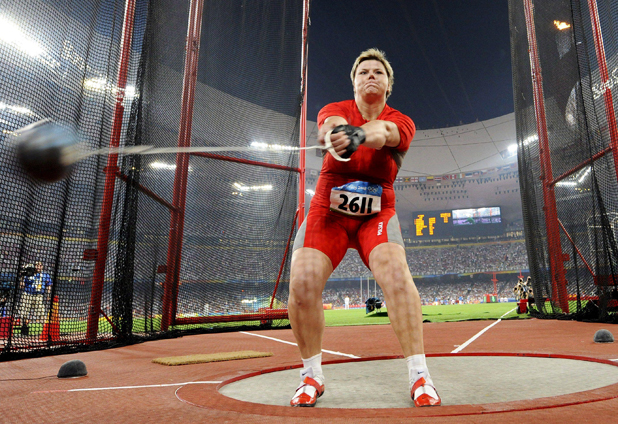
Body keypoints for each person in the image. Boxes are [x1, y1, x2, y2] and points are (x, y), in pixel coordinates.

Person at [288, 48, 441, 408]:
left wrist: (356, 135)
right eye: (363, 72)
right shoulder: (336, 109)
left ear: (388, 85)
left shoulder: (401, 120)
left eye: (378, 72)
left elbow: (385, 132)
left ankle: (420, 375)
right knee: (302, 282)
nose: (370, 76)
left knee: (397, 277)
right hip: (328, 211)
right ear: (354, 83)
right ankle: (311, 375)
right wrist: (335, 133)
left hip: (377, 213)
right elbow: (328, 124)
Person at [19, 261, 52, 335]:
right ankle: (24, 329)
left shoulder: (45, 275)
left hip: (39, 295)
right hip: (27, 294)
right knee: (23, 313)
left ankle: (46, 330)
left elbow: (49, 285)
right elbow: (21, 286)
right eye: (37, 265)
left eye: (40, 265)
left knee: (41, 313)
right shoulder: (28, 274)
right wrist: (22, 276)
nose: (38, 267)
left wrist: (48, 295)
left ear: (42, 267)